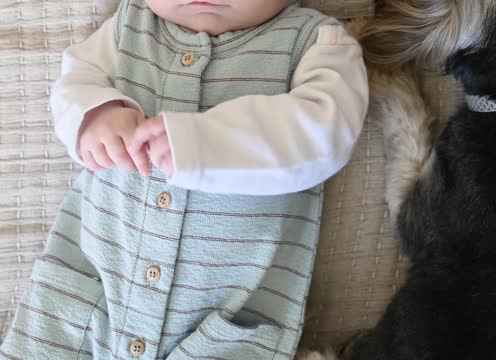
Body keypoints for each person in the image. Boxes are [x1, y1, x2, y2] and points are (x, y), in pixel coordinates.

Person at [0, 0, 368, 358]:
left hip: (221, 324)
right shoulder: (129, 25)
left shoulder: (319, 42)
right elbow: (76, 81)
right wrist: (96, 114)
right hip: (91, 300)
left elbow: (326, 132)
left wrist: (205, 144)